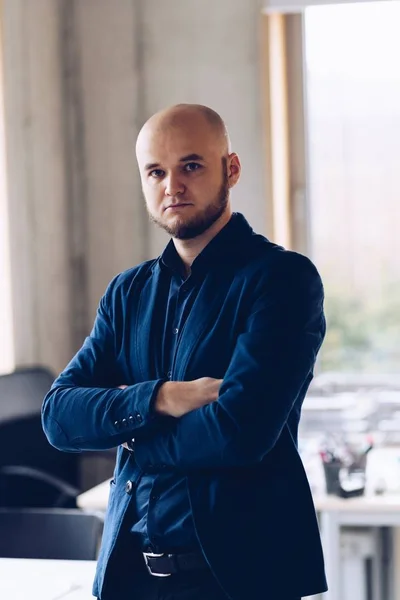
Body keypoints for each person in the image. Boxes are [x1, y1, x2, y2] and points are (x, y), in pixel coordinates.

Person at [42, 104, 328, 600]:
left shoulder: (282, 280)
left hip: (239, 579)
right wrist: (159, 399)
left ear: (230, 169)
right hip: (129, 576)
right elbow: (58, 416)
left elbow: (239, 432)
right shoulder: (126, 293)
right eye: (156, 171)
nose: (172, 185)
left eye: (191, 166)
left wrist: (127, 432)